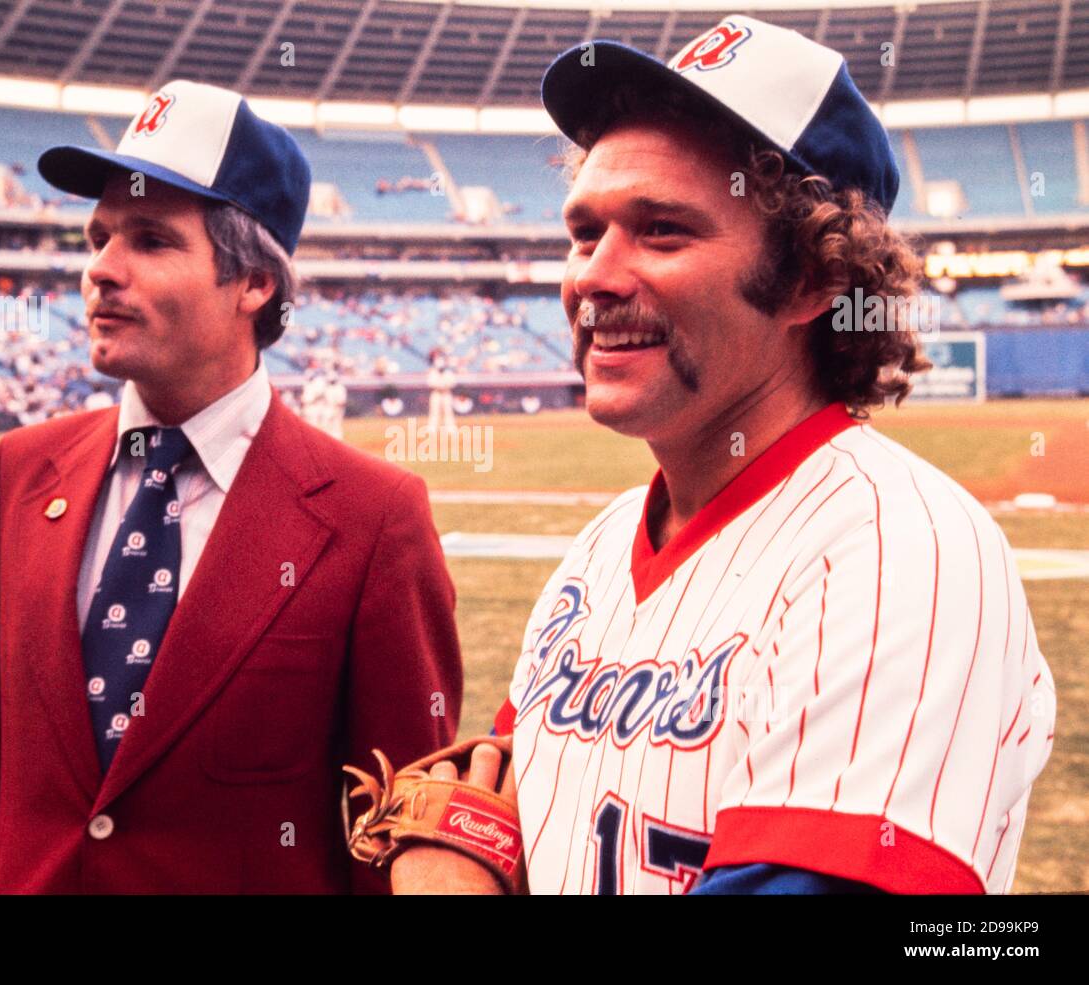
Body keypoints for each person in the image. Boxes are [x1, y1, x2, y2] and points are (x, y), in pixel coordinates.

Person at [389, 15, 1055, 895]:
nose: (592, 275)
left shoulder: (905, 549)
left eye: (662, 230)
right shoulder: (595, 553)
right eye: (585, 234)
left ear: (816, 281)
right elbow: (498, 809)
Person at [0, 80, 462, 895]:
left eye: (150, 240)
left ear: (254, 282)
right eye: (99, 236)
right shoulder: (20, 472)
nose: (100, 271)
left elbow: (396, 840)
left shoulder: (372, 517)